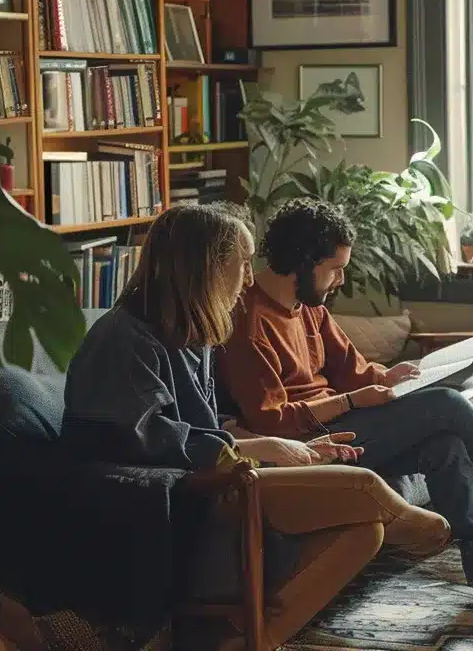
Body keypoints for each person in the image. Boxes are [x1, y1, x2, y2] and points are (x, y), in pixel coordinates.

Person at [58, 205, 452, 645]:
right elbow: (142, 438)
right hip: (191, 495)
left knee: (366, 531)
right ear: (205, 267)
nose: (250, 279)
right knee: (362, 487)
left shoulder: (193, 334)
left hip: (226, 475)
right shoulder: (124, 340)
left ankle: (244, 643)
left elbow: (206, 422)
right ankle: (420, 527)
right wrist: (253, 451)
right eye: (242, 264)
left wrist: (272, 446)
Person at [218, 198, 473, 612]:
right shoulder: (247, 320)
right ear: (302, 261)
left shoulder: (308, 307)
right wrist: (354, 399)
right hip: (311, 441)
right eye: (335, 268)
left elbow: (352, 369)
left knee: (446, 444)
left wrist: (387, 377)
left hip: (345, 421)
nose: (341, 279)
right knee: (447, 405)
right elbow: (273, 421)